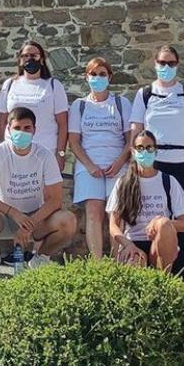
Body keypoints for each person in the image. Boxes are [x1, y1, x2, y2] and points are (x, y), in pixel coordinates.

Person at [0, 107, 78, 274]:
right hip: (3, 217)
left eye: (27, 128)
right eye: (17, 128)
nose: (22, 132)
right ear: (9, 129)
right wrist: (14, 213)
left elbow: (55, 200)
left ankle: (40, 258)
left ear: (34, 130)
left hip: (36, 219)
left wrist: (28, 225)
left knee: (68, 221)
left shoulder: (45, 155)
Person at [130, 44, 184, 277]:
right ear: (155, 64)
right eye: (162, 63)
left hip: (183, 162)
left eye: (171, 63)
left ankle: (181, 274)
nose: (166, 67)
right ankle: (150, 268)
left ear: (177, 65)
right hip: (153, 160)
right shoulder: (145, 94)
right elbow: (137, 130)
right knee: (149, 213)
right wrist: (135, 162)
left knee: (181, 219)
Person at [67, 57, 132, 259]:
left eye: (102, 74)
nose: (97, 78)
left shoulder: (122, 103)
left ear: (110, 77)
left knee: (115, 214)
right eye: (93, 74)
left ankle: (117, 259)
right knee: (93, 212)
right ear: (87, 77)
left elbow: (130, 139)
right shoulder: (79, 106)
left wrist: (120, 161)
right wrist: (90, 165)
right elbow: (74, 141)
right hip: (88, 165)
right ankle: (98, 263)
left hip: (117, 164)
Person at [107, 130, 184, 272]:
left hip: (160, 242)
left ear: (155, 150)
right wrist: (127, 244)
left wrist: (160, 224)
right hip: (133, 242)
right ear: (133, 151)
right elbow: (113, 225)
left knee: (163, 223)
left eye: (149, 148)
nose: (144, 152)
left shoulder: (169, 181)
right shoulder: (123, 183)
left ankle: (162, 280)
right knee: (134, 265)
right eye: (140, 148)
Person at [0, 41, 68, 169]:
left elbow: (63, 124)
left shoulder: (53, 85)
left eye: (34, 56)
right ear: (20, 59)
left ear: (41, 59)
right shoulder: (9, 85)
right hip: (13, 151)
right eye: (26, 56)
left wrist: (61, 154)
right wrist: (2, 147)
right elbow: (3, 120)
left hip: (45, 151)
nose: (30, 59)